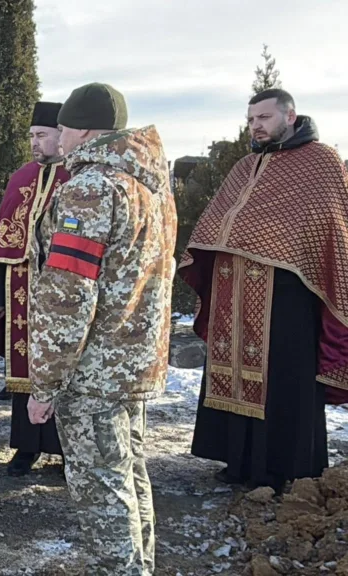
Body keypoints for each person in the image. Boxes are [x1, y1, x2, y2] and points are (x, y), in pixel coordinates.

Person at [27, 84, 175, 576]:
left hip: (93, 370)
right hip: (132, 361)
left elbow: (68, 294)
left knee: (102, 491)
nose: (61, 139)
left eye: (64, 129)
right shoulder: (150, 184)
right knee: (128, 476)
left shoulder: (91, 187)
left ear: (85, 129)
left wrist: (44, 382)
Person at [180, 89, 348, 491]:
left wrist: (275, 247)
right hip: (232, 287)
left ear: (290, 117)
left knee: (282, 376)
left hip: (288, 291)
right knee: (233, 369)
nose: (255, 125)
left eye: (265, 117)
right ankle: (238, 460)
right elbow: (221, 219)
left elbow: (331, 229)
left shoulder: (321, 161)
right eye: (251, 118)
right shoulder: (246, 164)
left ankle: (283, 465)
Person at [0, 102, 70, 476]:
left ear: (63, 136)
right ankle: (26, 447)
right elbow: (1, 242)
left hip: (63, 294)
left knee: (63, 368)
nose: (34, 143)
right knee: (26, 369)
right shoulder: (21, 178)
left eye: (41, 135)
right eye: (31, 136)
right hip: (20, 292)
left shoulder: (79, 176)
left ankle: (64, 450)